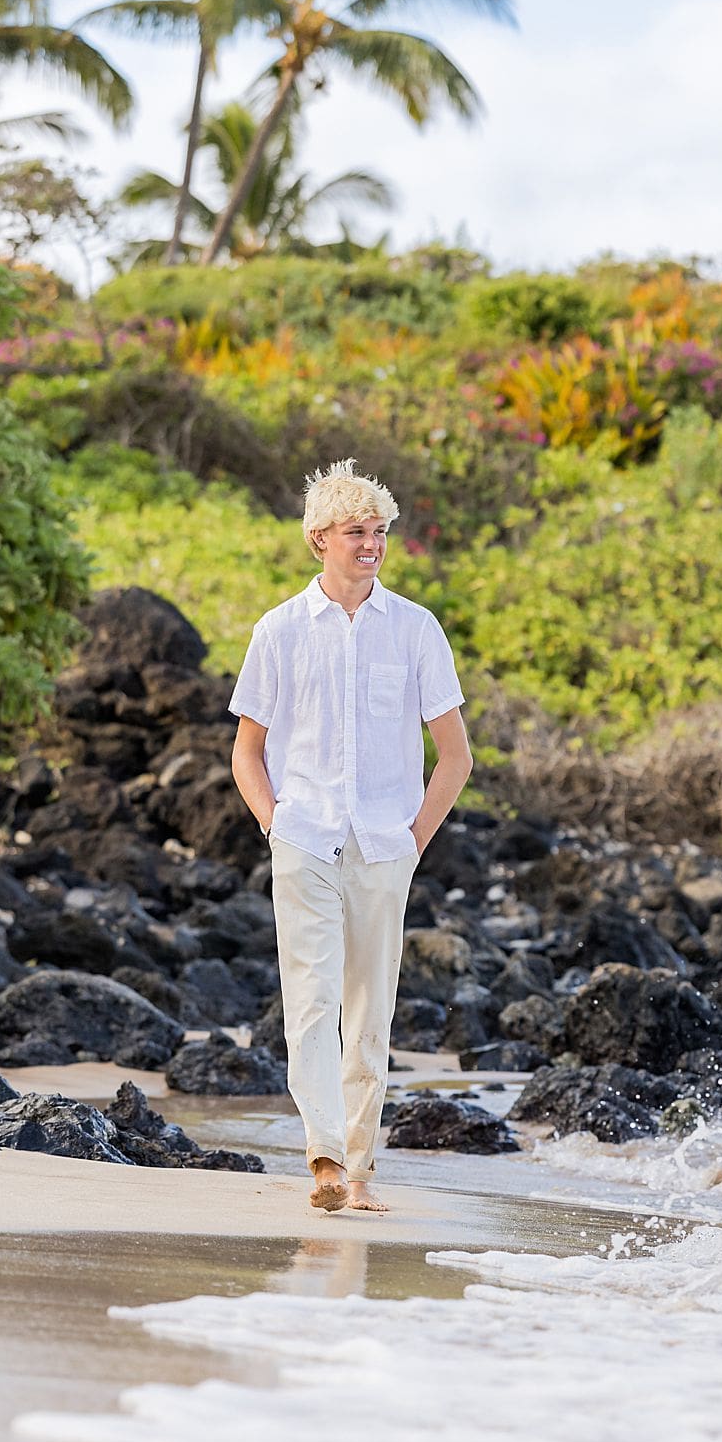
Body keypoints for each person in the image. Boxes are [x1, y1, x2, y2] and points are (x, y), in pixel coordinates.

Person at [228, 458, 473, 1213]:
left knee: (371, 1010)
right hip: (304, 837)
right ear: (318, 540)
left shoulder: (416, 629)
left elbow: (455, 754)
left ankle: (359, 1166)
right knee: (310, 1000)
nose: (370, 544)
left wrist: (413, 839)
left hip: (384, 845)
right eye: (355, 531)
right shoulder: (278, 631)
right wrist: (274, 822)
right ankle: (325, 1157)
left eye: (379, 531)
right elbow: (246, 749)